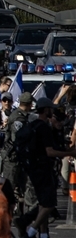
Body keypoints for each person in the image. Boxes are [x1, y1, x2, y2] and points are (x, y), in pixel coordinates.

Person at [15, 99, 76, 238]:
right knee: (49, 204)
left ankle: (43, 234)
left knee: (43, 202)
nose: (52, 111)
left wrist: (66, 148)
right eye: (50, 109)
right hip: (42, 168)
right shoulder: (43, 128)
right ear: (46, 109)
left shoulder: (35, 125)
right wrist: (70, 153)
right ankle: (30, 230)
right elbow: (49, 151)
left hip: (34, 168)